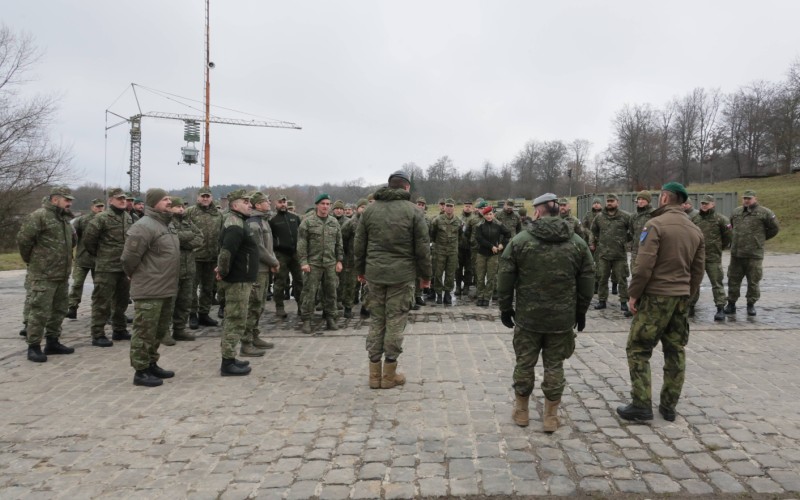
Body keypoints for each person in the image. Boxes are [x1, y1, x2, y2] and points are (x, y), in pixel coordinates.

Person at [497, 192, 594, 432]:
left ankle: (521, 411)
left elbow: (505, 276)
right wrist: (581, 311)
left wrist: (505, 307)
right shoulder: (577, 243)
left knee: (524, 363)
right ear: (558, 210)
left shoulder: (520, 241)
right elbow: (588, 278)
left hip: (528, 318)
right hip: (561, 319)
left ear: (538, 212)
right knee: (555, 366)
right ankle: (550, 416)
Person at [617, 182, 705, 422]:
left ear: (665, 198)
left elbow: (644, 265)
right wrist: (687, 294)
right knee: (675, 351)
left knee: (638, 348)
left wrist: (633, 294)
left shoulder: (654, 224)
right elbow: (698, 270)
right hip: (680, 298)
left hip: (656, 297)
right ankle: (668, 406)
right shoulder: (695, 229)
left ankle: (641, 404)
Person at [355, 170, 431, 389]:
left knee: (377, 321)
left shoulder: (370, 211)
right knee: (396, 322)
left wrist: (360, 270)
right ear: (407, 188)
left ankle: (374, 376)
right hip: (402, 276)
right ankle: (389, 375)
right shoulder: (414, 212)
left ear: (389, 186)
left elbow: (359, 245)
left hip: (375, 275)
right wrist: (426, 277)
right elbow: (423, 249)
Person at [121, 189, 180, 387]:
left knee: (158, 330)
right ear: (153, 202)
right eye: (165, 199)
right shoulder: (143, 226)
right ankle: (140, 370)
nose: (169, 201)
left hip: (166, 287)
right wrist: (134, 274)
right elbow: (129, 258)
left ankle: (151, 363)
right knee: (144, 330)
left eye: (169, 198)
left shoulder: (166, 225)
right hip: (149, 288)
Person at [16, 186, 77, 362]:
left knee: (59, 310)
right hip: (43, 274)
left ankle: (52, 341)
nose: (69, 203)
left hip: (62, 274)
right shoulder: (39, 216)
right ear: (54, 199)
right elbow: (24, 241)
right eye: (66, 199)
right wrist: (34, 261)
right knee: (39, 311)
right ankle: (33, 346)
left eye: (70, 200)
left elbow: (72, 241)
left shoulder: (64, 219)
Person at [83, 187, 135, 347]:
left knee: (122, 300)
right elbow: (89, 240)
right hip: (106, 267)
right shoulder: (102, 218)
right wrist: (101, 255)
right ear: (110, 200)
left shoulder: (127, 217)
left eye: (124, 199)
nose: (122, 201)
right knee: (101, 301)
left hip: (123, 267)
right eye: (119, 198)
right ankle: (97, 334)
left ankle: (119, 329)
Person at [216, 190, 258, 376]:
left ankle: (231, 357)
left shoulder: (240, 222)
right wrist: (223, 272)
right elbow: (226, 253)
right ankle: (227, 362)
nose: (250, 205)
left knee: (237, 319)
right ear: (234, 205)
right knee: (235, 320)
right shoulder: (235, 225)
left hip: (241, 279)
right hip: (237, 281)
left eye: (250, 202)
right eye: (245, 202)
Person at [724, 190, 780, 317]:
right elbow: (731, 227)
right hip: (737, 253)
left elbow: (774, 228)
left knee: (753, 281)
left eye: (749, 198)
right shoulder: (736, 212)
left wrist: (760, 239)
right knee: (733, 279)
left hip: (754, 254)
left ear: (755, 198)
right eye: (744, 198)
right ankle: (731, 304)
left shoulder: (764, 212)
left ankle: (751, 305)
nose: (746, 200)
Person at [297, 193, 343, 334]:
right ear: (317, 205)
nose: (325, 206)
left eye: (328, 204)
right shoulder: (308, 222)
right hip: (313, 263)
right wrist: (303, 261)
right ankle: (306, 319)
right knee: (309, 292)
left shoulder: (333, 222)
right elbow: (301, 243)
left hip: (330, 263)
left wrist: (339, 260)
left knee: (331, 292)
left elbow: (338, 243)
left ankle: (330, 317)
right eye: (323, 204)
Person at [242, 191, 280, 355]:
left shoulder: (264, 221)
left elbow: (269, 246)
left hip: (265, 269)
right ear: (257, 205)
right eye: (266, 201)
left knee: (260, 306)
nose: (269, 203)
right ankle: (246, 343)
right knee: (253, 306)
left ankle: (254, 336)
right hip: (257, 270)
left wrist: (273, 261)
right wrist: (273, 262)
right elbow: (258, 248)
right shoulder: (253, 223)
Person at [167, 197, 204, 344]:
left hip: (189, 268)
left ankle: (179, 329)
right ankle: (164, 332)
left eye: (182, 207)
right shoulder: (167, 222)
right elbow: (172, 238)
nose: (181, 209)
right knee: (170, 303)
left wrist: (185, 243)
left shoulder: (187, 221)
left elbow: (200, 237)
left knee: (185, 301)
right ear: (170, 208)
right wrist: (187, 238)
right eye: (177, 207)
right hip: (172, 269)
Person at [185, 186, 222, 329]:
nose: (205, 199)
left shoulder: (218, 214)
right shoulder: (190, 212)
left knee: (208, 288)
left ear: (212, 198)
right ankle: (192, 314)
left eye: (208, 196)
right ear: (198, 198)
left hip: (212, 257)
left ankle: (204, 313)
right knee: (192, 288)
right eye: (203, 196)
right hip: (194, 257)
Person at [690, 195, 732, 321]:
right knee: (694, 282)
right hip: (697, 257)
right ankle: (690, 306)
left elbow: (728, 237)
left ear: (713, 204)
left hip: (713, 257)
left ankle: (720, 308)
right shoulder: (694, 219)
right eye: (702, 203)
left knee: (716, 283)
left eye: (706, 203)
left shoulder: (720, 219)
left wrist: (719, 247)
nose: (704, 205)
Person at [591, 193, 633, 316]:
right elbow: (594, 231)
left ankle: (624, 301)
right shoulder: (599, 217)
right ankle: (602, 300)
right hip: (604, 254)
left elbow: (632, 231)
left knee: (622, 279)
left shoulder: (625, 217)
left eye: (612, 201)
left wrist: (624, 241)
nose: (609, 203)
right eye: (608, 201)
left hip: (619, 254)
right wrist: (597, 242)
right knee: (602, 278)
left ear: (617, 202)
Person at [67, 198, 105, 319]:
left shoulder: (106, 220)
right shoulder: (82, 220)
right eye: (97, 207)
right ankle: (72, 307)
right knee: (77, 284)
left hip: (98, 259)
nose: (99, 209)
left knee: (99, 286)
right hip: (82, 258)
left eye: (101, 207)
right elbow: (72, 235)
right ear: (92, 207)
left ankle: (99, 310)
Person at [269, 194, 303, 318]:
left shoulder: (295, 218)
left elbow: (301, 234)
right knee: (280, 281)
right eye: (280, 202)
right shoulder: (272, 220)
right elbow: (269, 238)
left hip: (295, 254)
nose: (283, 204)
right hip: (280, 254)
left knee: (299, 280)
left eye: (284, 202)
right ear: (275, 204)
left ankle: (301, 306)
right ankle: (279, 307)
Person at [474, 206, 510, 306]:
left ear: (493, 214)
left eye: (490, 214)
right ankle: (480, 296)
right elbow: (479, 238)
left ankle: (487, 297)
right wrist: (491, 246)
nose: (489, 216)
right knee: (480, 277)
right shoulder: (479, 225)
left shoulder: (498, 225)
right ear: (483, 215)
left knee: (491, 277)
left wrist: (502, 244)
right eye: (486, 215)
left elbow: (508, 234)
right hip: (481, 254)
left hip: (493, 255)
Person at [429, 198, 460, 305]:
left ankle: (447, 293)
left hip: (452, 251)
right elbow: (432, 234)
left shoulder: (458, 221)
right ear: (444, 207)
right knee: (438, 273)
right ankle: (438, 294)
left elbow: (460, 235)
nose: (449, 208)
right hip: (440, 251)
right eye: (447, 206)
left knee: (450, 274)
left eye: (451, 206)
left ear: (454, 208)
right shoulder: (437, 220)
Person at [340, 199, 366, 317]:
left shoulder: (370, 221)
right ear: (357, 209)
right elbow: (342, 239)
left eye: (366, 207)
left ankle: (366, 306)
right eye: (362, 207)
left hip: (367, 259)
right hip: (352, 258)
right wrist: (347, 253)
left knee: (367, 284)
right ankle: (348, 307)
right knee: (350, 284)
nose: (364, 209)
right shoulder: (350, 223)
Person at [630, 191, 655, 272]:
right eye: (639, 199)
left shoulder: (655, 214)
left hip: (650, 251)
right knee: (635, 274)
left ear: (648, 201)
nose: (640, 201)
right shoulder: (634, 216)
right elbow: (631, 232)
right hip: (636, 251)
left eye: (643, 199)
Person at [456, 199, 475, 297]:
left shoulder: (474, 218)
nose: (467, 208)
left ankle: (467, 286)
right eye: (466, 206)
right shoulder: (458, 218)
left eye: (469, 206)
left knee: (469, 268)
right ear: (463, 207)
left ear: (472, 207)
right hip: (459, 247)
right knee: (458, 268)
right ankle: (458, 286)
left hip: (470, 248)